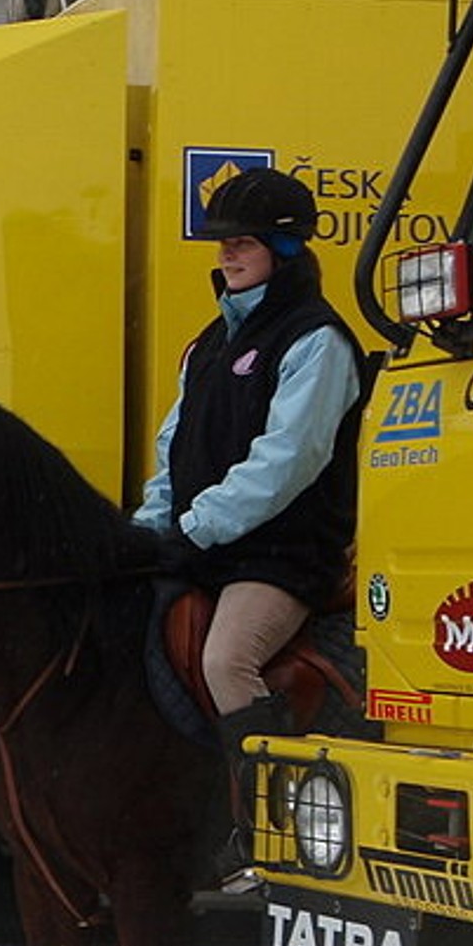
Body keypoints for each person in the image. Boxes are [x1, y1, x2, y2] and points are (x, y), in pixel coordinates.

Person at [134, 168, 365, 884]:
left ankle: (269, 830)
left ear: (286, 251)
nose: (228, 256)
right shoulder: (206, 344)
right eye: (224, 244)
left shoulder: (317, 341)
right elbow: (173, 449)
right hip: (210, 543)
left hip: (282, 554)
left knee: (224, 659)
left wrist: (198, 528)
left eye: (243, 244)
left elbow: (286, 461)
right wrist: (145, 530)